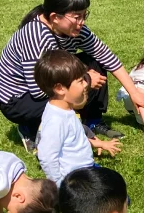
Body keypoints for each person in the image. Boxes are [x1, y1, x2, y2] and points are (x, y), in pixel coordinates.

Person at [0, 0, 144, 151]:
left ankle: (93, 121)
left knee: (95, 61)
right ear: (55, 17)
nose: (81, 22)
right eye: (76, 17)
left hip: (48, 82)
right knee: (81, 81)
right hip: (20, 99)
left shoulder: (75, 29)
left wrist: (134, 93)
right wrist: (86, 80)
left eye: (84, 15)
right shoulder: (37, 36)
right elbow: (39, 89)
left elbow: (105, 54)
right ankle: (30, 127)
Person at [34, 50, 121, 184]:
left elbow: (74, 140)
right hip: (75, 180)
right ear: (60, 89)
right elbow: (46, 157)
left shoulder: (66, 110)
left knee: (116, 189)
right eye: (81, 81)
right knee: (111, 197)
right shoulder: (56, 120)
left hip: (86, 168)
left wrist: (99, 143)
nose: (86, 84)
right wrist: (59, 186)